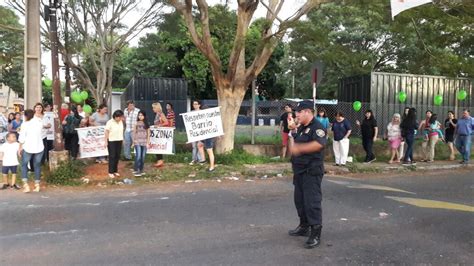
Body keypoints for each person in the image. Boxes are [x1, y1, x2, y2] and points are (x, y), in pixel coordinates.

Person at [287, 100, 327, 249]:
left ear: (308, 112)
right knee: (300, 200)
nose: (296, 114)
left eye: (299, 112)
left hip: (311, 171)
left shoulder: (317, 127)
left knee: (312, 202)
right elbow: (293, 146)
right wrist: (292, 131)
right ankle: (304, 226)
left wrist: (300, 149)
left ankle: (315, 232)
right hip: (300, 171)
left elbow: (319, 144)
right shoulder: (302, 127)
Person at [19, 109, 44, 193]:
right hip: (39, 147)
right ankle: (37, 185)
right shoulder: (39, 122)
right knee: (37, 165)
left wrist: (20, 148)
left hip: (28, 147)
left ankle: (26, 185)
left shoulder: (25, 124)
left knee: (24, 165)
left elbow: (22, 138)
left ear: (25, 116)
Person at [105, 110, 125, 178]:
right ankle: (110, 172)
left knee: (117, 156)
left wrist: (123, 139)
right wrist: (106, 141)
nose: (120, 119)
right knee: (112, 156)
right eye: (118, 117)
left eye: (121, 117)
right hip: (112, 141)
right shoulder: (110, 122)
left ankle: (115, 171)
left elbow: (121, 131)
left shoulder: (121, 122)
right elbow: (106, 132)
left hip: (119, 140)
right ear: (115, 116)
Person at [132, 111, 150, 177]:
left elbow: (148, 134)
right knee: (138, 156)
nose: (140, 116)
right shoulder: (136, 123)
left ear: (144, 116)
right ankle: (136, 170)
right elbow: (134, 133)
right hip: (137, 142)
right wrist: (133, 142)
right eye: (139, 115)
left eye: (141, 115)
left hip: (144, 142)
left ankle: (141, 169)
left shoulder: (147, 124)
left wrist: (148, 142)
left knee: (143, 157)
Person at [152, 102, 169, 167]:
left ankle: (160, 160)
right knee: (156, 146)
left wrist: (159, 125)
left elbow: (166, 122)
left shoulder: (161, 114)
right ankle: (159, 160)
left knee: (158, 146)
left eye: (154, 108)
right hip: (157, 133)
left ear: (157, 108)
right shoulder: (157, 114)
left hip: (160, 133)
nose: (153, 109)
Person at [189, 100, 204, 165]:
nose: (194, 105)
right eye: (193, 104)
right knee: (194, 146)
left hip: (200, 132)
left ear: (199, 105)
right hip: (193, 132)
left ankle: (200, 160)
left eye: (195, 104)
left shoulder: (202, 113)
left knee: (199, 145)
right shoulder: (191, 113)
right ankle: (194, 159)